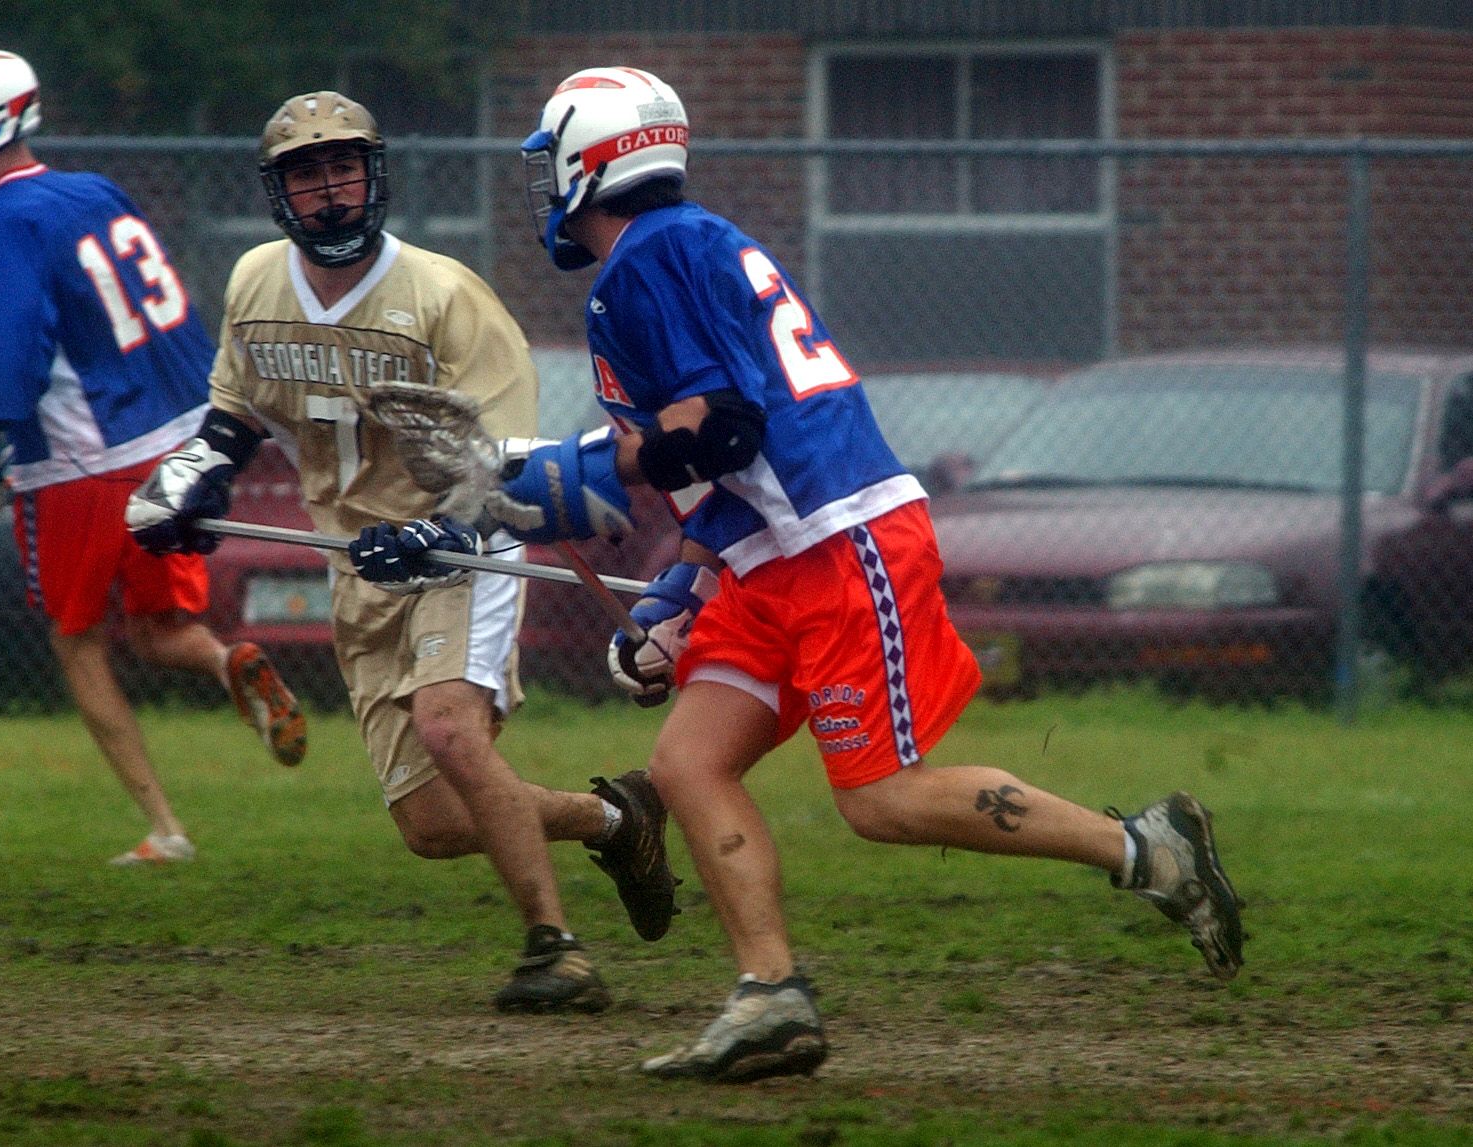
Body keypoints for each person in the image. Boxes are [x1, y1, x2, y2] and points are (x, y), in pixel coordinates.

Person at [375, 66, 1246, 1082]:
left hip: (838, 541)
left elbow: (716, 432)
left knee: (878, 799)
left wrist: (541, 477)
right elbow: (723, 471)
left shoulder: (647, 260)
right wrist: (674, 594)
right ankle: (769, 995)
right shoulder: (680, 248)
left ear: (589, 161)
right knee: (687, 765)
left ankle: (1142, 846)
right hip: (770, 557)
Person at [123, 90, 679, 1013]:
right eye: (308, 174)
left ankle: (556, 949)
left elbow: (508, 471)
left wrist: (438, 533)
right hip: (358, 566)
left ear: (374, 175)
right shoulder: (256, 282)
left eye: (344, 168)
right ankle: (615, 818)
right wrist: (192, 479)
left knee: (450, 730)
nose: (331, 191)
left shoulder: (444, 296)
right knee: (431, 824)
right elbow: (233, 413)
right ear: (278, 192)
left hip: (464, 552)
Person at [0, 48, 308, 866]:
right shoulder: (94, 190)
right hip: (175, 440)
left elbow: (9, 367)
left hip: (81, 458)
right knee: (159, 629)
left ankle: (166, 828)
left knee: (76, 638)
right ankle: (231, 661)